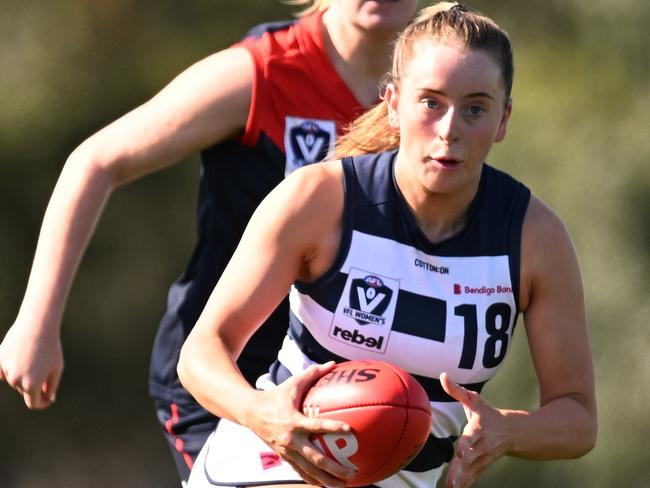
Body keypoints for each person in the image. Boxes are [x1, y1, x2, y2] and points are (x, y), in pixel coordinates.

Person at [177, 3, 598, 487]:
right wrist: (262, 414)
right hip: (262, 468)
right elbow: (200, 354)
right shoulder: (318, 199)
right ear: (394, 103)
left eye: (476, 108)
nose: (449, 129)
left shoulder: (533, 237)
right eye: (431, 102)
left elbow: (578, 417)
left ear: (503, 120)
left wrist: (506, 430)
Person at [0, 0, 420, 483]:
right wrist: (37, 321)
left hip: (342, 383)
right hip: (222, 373)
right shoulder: (263, 72)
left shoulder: (434, 87)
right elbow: (96, 162)